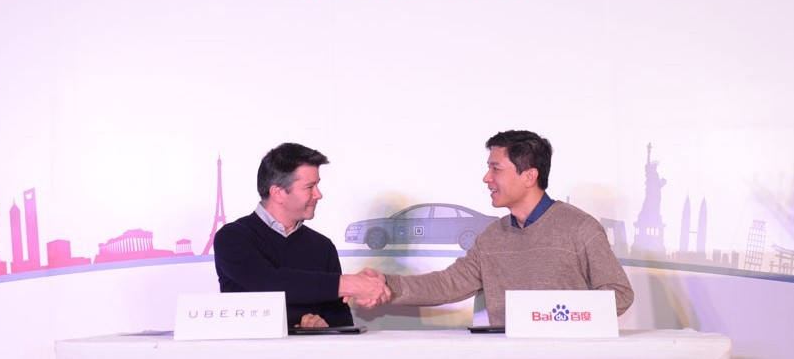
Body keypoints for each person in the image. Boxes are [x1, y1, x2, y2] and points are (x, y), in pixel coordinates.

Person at [370, 130, 634, 326]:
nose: (486, 178)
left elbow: (620, 294)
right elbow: (448, 284)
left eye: (495, 169)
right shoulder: (491, 237)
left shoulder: (581, 228)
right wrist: (385, 284)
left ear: (529, 176)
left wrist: (554, 315)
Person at [213, 142, 387, 328]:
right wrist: (347, 284)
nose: (318, 194)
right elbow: (268, 282)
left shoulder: (322, 246)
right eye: (309, 187)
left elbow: (341, 322)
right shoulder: (232, 237)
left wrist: (324, 327)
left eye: (317, 185)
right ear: (278, 193)